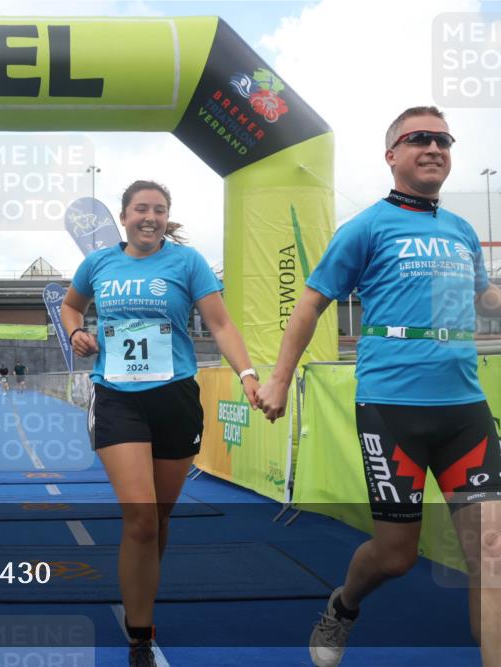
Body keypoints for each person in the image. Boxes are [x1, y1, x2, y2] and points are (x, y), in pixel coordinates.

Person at [256, 106, 501, 667]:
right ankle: (343, 605)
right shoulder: (366, 226)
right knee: (396, 557)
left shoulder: (462, 231)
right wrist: (278, 379)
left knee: (491, 550)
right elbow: (312, 304)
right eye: (419, 139)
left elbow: (485, 298)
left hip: (465, 409)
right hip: (392, 409)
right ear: (392, 155)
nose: (434, 147)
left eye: (443, 139)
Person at [60, 180, 260, 666]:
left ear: (166, 218)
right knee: (142, 518)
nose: (149, 217)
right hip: (117, 399)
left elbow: (220, 324)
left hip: (175, 398)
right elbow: (71, 306)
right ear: (124, 216)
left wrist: (249, 374)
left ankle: (142, 582)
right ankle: (140, 635)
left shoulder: (187, 264)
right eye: (140, 209)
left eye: (159, 210)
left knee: (160, 519)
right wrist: (76, 332)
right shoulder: (100, 263)